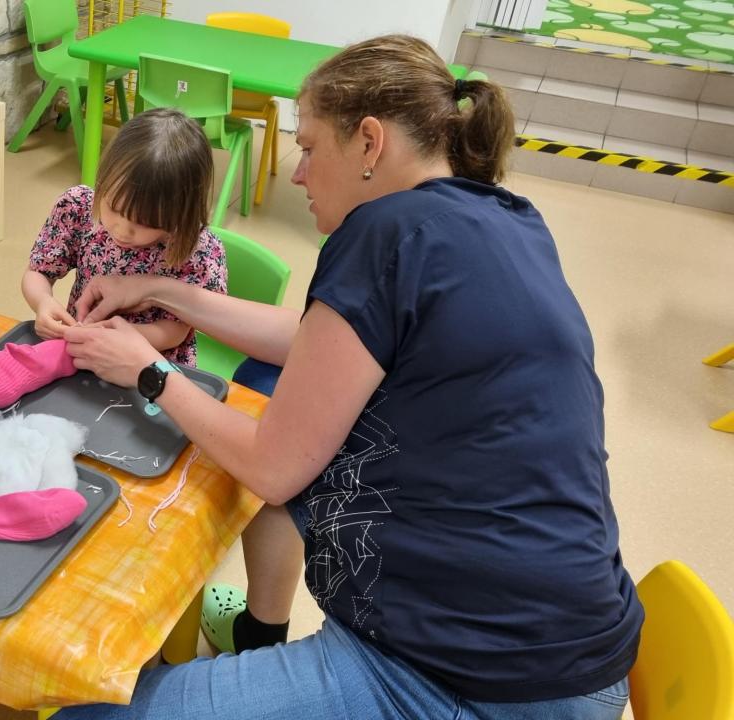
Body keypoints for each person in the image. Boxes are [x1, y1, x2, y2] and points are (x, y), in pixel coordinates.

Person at [58, 35, 643, 719]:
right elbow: (318, 346)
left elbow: (274, 469)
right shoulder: (503, 216)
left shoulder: (382, 233)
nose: (298, 175)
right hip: (573, 651)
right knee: (269, 381)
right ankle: (260, 631)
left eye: (307, 149)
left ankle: (260, 642)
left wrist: (149, 371)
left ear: (369, 142)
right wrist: (160, 289)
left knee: (85, 712)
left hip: (470, 680)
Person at [22, 107, 227, 366]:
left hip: (153, 367)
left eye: (145, 223)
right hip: (82, 356)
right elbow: (38, 272)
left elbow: (176, 331)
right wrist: (43, 302)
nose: (122, 229)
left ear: (181, 215)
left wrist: (115, 337)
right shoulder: (79, 208)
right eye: (113, 208)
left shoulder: (196, 251)